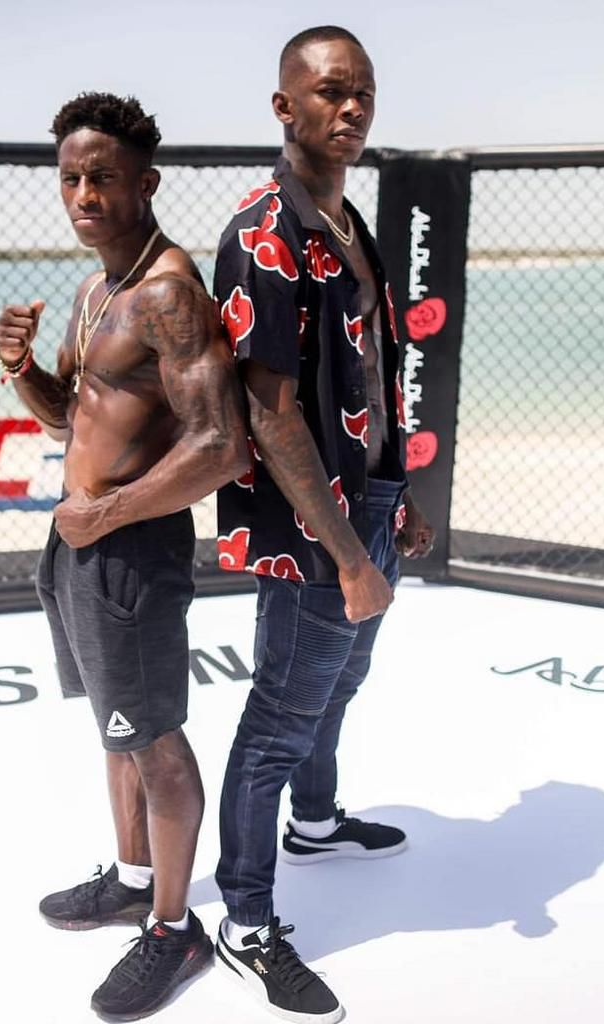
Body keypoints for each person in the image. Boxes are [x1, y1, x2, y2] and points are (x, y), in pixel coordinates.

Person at [0, 91, 248, 1021]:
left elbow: (222, 444)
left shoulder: (169, 292)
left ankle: (176, 930)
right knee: (115, 729)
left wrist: (108, 515)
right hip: (82, 541)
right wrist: (25, 371)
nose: (84, 193)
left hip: (131, 548)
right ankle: (136, 879)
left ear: (146, 183)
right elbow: (75, 415)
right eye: (71, 177)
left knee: (156, 739)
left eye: (103, 177)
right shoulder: (95, 287)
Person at [212, 26, 436, 1023]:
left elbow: (369, 375)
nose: (351, 108)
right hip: (314, 531)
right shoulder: (263, 233)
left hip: (369, 504)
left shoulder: (348, 220)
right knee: (276, 721)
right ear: (283, 107)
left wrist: (397, 494)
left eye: (363, 92)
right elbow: (268, 413)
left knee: (345, 677)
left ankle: (314, 821)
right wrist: (347, 553)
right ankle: (247, 919)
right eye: (329, 93)